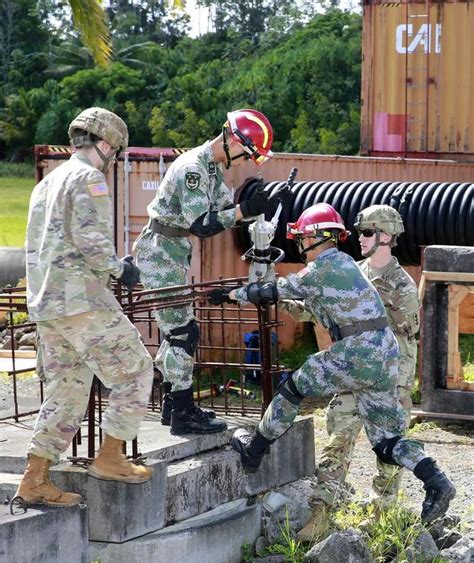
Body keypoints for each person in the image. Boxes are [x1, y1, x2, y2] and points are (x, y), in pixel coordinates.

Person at [210, 203, 455, 532]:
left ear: (314, 238)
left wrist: (230, 294)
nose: (298, 246)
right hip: (383, 358)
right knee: (386, 443)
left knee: (293, 388)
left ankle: (255, 448)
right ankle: (436, 480)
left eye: (301, 238)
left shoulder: (326, 266)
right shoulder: (348, 268)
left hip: (357, 352)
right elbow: (303, 304)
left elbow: (275, 288)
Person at [14, 107, 154, 508]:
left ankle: (35, 479)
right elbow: (91, 239)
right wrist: (120, 269)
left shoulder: (48, 181)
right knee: (136, 370)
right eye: (117, 152)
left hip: (48, 305)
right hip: (81, 300)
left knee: (68, 391)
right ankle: (111, 457)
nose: (114, 160)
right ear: (107, 144)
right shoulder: (89, 178)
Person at [134, 109, 279, 435]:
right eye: (246, 154)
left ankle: (173, 406)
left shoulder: (214, 169)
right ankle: (183, 412)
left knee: (178, 332)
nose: (245, 162)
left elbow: (225, 214)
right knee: (184, 333)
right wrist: (245, 210)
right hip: (160, 253)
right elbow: (202, 225)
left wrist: (259, 203)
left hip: (172, 252)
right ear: (231, 138)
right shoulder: (193, 170)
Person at [297, 205, 422, 540]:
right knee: (337, 438)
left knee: (388, 449)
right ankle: (321, 511)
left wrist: (398, 388)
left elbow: (407, 339)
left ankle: (381, 516)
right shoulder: (351, 272)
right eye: (360, 232)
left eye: (368, 232)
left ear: (386, 236)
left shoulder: (403, 286)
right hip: (351, 371)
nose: (360, 239)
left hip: (388, 379)